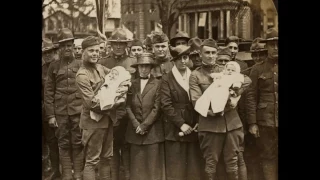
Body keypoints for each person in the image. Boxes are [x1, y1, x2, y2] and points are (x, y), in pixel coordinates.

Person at [189, 38, 250, 180]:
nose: (211, 56)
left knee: (233, 162)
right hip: (210, 125)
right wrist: (214, 111)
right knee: (211, 164)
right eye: (207, 53)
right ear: (200, 55)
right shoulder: (195, 75)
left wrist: (235, 96)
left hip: (231, 124)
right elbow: (196, 101)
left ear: (217, 54)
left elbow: (246, 80)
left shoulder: (224, 69)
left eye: (213, 53)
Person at [44, 28, 84, 180]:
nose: (67, 48)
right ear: (59, 48)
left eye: (69, 45)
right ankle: (67, 174)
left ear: (73, 46)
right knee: (63, 143)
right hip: (60, 112)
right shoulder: (53, 67)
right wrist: (51, 115)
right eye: (63, 46)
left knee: (78, 142)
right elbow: (48, 92)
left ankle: (78, 175)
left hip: (78, 111)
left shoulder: (81, 64)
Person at [161, 45, 205, 180]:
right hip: (175, 130)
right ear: (174, 60)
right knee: (176, 170)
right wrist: (181, 124)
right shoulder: (166, 79)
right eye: (179, 58)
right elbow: (166, 105)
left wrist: (198, 122)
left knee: (194, 170)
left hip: (193, 127)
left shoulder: (194, 75)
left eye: (185, 57)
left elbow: (201, 101)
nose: (183, 61)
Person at [98, 28, 136, 180]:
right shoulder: (103, 62)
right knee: (111, 147)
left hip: (130, 111)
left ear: (127, 45)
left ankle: (127, 175)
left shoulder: (134, 62)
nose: (118, 47)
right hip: (111, 112)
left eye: (122, 43)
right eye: (115, 44)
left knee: (127, 145)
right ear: (110, 45)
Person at [75, 36, 115, 180]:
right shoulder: (82, 75)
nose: (95, 54)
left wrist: (122, 80)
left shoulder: (100, 67)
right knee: (92, 160)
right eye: (91, 50)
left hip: (107, 120)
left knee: (106, 158)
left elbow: (117, 75)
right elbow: (92, 104)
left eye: (97, 51)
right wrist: (115, 102)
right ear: (82, 52)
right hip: (92, 123)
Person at [125, 53, 165, 180]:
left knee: (152, 168)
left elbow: (157, 108)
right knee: (137, 168)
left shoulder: (158, 83)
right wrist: (136, 124)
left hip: (152, 132)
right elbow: (127, 106)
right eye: (141, 66)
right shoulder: (131, 84)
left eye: (147, 66)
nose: (143, 69)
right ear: (137, 67)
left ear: (151, 68)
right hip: (134, 131)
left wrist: (144, 125)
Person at [246, 28, 278, 180]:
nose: (276, 48)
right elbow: (251, 97)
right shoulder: (257, 69)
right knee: (268, 157)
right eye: (272, 45)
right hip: (265, 122)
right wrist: (252, 123)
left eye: (278, 44)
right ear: (267, 47)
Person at [42, 38, 61, 180]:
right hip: (45, 111)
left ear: (55, 52)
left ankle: (66, 170)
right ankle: (53, 170)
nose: (47, 55)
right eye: (44, 53)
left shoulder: (59, 67)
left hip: (60, 109)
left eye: (49, 52)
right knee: (50, 142)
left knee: (63, 142)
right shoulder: (42, 69)